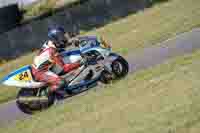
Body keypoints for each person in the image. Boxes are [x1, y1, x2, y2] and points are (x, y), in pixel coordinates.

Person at [31, 26, 81, 94]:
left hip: (48, 66)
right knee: (61, 83)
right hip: (40, 72)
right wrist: (80, 63)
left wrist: (73, 41)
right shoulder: (52, 51)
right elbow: (63, 68)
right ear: (57, 38)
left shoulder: (51, 42)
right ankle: (46, 93)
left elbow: (62, 45)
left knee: (70, 62)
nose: (65, 37)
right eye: (62, 36)